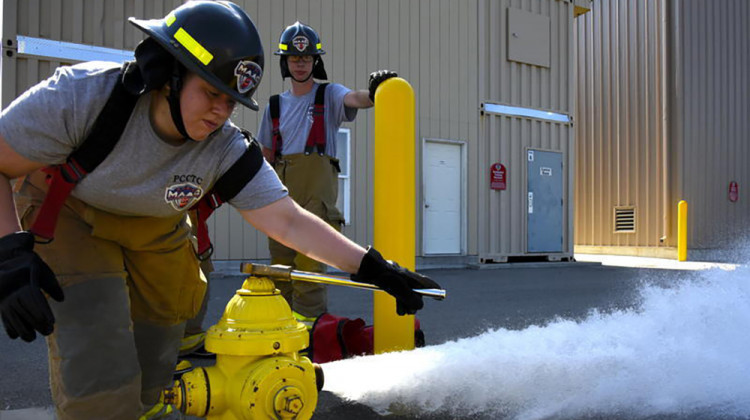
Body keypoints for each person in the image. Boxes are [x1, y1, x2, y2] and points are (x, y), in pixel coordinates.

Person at [0, 2, 439, 420]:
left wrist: (372, 268)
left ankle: (149, 407)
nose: (221, 111)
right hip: (74, 213)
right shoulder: (80, 97)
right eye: (212, 92)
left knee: (166, 328)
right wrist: (9, 255)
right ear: (166, 73)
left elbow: (287, 219)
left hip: (156, 223)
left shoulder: (225, 147)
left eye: (231, 101)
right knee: (98, 344)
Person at [257, 21, 397, 324]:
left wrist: (377, 90)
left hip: (316, 193)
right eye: (294, 58)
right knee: (280, 261)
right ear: (285, 62)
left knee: (309, 261)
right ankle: (280, 325)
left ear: (315, 61)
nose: (300, 64)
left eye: (306, 58)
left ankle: (309, 328)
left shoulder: (329, 95)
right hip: (280, 192)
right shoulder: (273, 106)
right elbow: (266, 156)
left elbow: (356, 99)